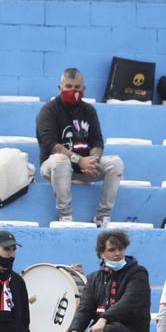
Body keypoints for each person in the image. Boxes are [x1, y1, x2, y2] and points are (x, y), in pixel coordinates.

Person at [37, 68, 125, 225]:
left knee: (115, 163)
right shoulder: (48, 110)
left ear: (83, 89)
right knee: (60, 160)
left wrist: (93, 160)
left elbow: (97, 140)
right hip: (53, 167)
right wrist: (79, 160)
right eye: (68, 86)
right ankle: (65, 216)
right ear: (60, 88)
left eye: (77, 87)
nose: (73, 90)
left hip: (84, 168)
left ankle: (102, 216)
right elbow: (51, 144)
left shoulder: (89, 110)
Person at [55, 230, 152, 332]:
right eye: (112, 250)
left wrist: (104, 319)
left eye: (120, 249)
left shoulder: (138, 273)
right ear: (101, 254)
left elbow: (130, 300)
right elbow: (85, 309)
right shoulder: (93, 278)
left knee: (114, 330)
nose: (117, 254)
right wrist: (75, 329)